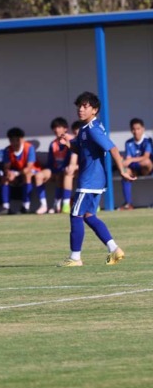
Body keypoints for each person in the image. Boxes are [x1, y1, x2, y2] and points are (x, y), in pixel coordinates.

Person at [57, 91, 135, 267]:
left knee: (75, 215)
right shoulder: (86, 128)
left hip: (89, 180)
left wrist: (122, 171)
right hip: (94, 180)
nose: (80, 109)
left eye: (85, 106)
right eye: (79, 106)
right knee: (88, 216)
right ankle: (114, 249)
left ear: (95, 110)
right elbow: (81, 150)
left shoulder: (93, 129)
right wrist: (69, 144)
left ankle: (75, 258)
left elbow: (113, 148)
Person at [0, 127, 49, 214]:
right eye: (12, 140)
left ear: (22, 139)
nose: (15, 143)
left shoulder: (29, 148)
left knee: (27, 174)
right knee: (5, 177)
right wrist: (8, 173)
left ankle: (26, 206)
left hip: (33, 171)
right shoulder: (8, 150)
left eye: (17, 140)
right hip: (17, 172)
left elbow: (29, 167)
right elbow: (6, 166)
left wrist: (16, 174)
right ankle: (6, 207)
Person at [118, 117, 153, 210]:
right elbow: (128, 159)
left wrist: (131, 160)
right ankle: (128, 203)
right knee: (125, 171)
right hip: (134, 169)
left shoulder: (148, 141)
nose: (136, 131)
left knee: (146, 162)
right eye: (133, 129)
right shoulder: (128, 142)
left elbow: (146, 157)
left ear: (143, 129)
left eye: (138, 129)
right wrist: (124, 161)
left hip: (147, 169)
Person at [44, 117, 75, 214]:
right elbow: (50, 162)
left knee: (66, 173)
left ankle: (65, 204)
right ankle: (50, 205)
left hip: (75, 169)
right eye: (54, 128)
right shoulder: (53, 144)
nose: (56, 130)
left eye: (59, 127)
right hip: (60, 170)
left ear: (65, 129)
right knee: (43, 176)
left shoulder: (72, 140)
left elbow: (73, 159)